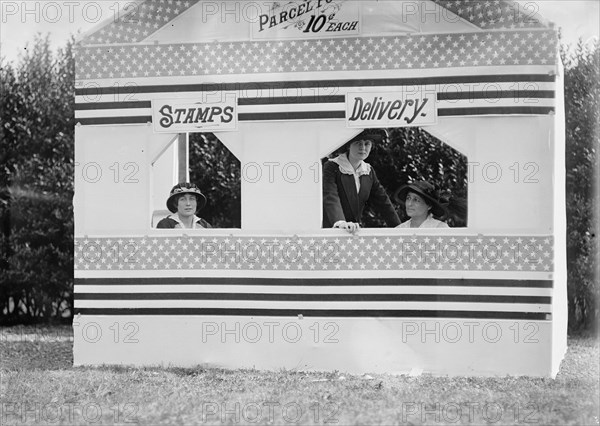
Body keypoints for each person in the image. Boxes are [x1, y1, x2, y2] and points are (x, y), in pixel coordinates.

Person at [323, 130, 401, 233]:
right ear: (348, 145)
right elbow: (330, 196)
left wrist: (400, 229)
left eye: (367, 144)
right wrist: (341, 223)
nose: (363, 148)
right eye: (358, 143)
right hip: (331, 230)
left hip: (354, 231)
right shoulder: (332, 166)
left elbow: (383, 202)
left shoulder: (368, 171)